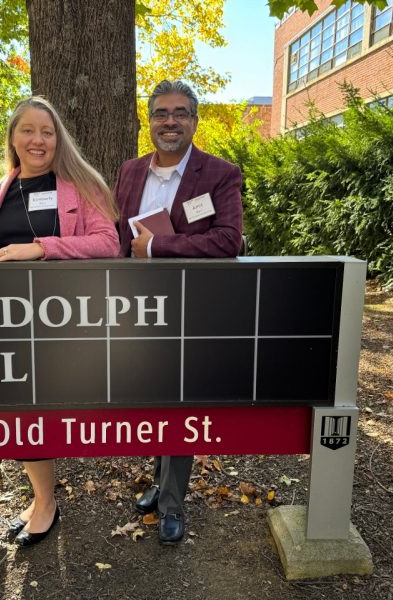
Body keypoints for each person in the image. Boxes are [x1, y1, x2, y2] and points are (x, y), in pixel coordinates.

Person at [0, 96, 119, 547]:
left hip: (66, 323)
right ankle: (44, 501)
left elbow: (108, 243)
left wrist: (41, 247)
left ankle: (45, 501)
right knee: (21, 415)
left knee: (48, 412)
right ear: (13, 138)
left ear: (59, 140)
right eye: (28, 131)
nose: (38, 140)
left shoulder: (79, 184)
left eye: (48, 132)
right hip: (9, 324)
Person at [114, 80, 243, 545]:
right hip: (135, 306)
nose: (170, 122)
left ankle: (172, 502)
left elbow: (229, 241)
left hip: (191, 309)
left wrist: (159, 245)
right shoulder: (129, 171)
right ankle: (157, 481)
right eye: (161, 113)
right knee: (151, 395)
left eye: (181, 113)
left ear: (194, 120)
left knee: (181, 401)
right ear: (149, 120)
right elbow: (116, 234)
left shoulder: (219, 173)